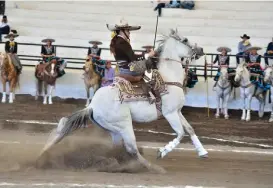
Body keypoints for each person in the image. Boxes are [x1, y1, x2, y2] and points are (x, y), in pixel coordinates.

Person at [106, 18, 156, 103]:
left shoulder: (118, 41)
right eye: (128, 30)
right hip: (130, 69)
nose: (129, 32)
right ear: (122, 31)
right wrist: (148, 55)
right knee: (150, 63)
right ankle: (149, 91)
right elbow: (133, 58)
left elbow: (130, 56)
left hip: (123, 68)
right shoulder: (122, 42)